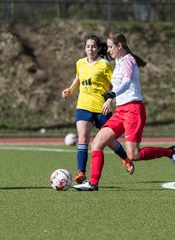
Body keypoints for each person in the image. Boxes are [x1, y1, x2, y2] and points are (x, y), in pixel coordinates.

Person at [74, 32, 175, 191]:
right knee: (97, 144)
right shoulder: (119, 60)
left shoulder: (128, 61)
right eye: (108, 47)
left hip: (133, 110)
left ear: (120, 46)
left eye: (111, 47)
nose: (109, 50)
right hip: (120, 111)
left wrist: (113, 94)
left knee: (134, 155)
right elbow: (113, 68)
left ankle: (170, 152)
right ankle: (93, 183)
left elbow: (126, 82)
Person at [62, 34, 133, 184]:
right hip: (83, 106)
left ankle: (126, 159)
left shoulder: (104, 64)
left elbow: (115, 84)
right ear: (85, 48)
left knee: (110, 142)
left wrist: (109, 99)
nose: (90, 49)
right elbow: (78, 78)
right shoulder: (80, 63)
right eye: (88, 46)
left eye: (93, 46)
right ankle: (81, 173)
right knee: (83, 138)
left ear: (99, 48)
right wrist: (70, 89)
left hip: (102, 108)